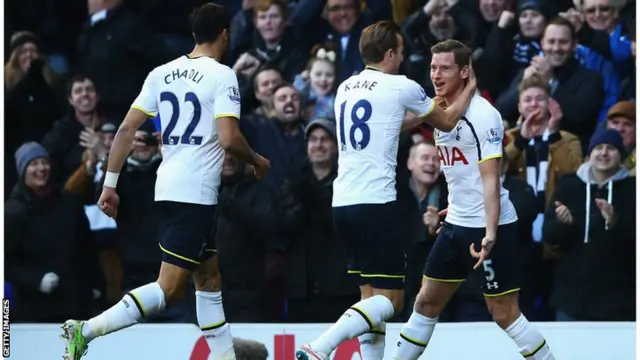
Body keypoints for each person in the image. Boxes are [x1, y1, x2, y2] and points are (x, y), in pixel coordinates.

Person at [61, 3, 270, 360]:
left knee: (208, 280)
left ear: (193, 35)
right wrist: (256, 159)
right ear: (225, 34)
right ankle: (87, 330)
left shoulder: (162, 73)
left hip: (171, 186)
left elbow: (126, 129)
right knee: (169, 289)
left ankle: (224, 357)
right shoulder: (222, 76)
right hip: (195, 192)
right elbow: (229, 137)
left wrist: (110, 184)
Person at [295, 21, 477, 360]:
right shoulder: (400, 85)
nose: (404, 58)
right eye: (402, 52)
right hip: (376, 205)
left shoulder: (346, 86)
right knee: (392, 301)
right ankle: (320, 347)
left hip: (343, 203)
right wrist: (468, 86)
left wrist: (423, 113)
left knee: (370, 302)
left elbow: (390, 123)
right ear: (391, 53)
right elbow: (449, 120)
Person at [392, 39, 554, 360]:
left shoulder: (483, 115)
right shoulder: (439, 107)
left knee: (503, 312)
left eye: (445, 68)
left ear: (465, 71)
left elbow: (491, 179)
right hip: (456, 224)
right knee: (425, 302)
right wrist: (457, 204)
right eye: (433, 67)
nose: (436, 75)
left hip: (487, 226)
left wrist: (490, 233)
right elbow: (399, 125)